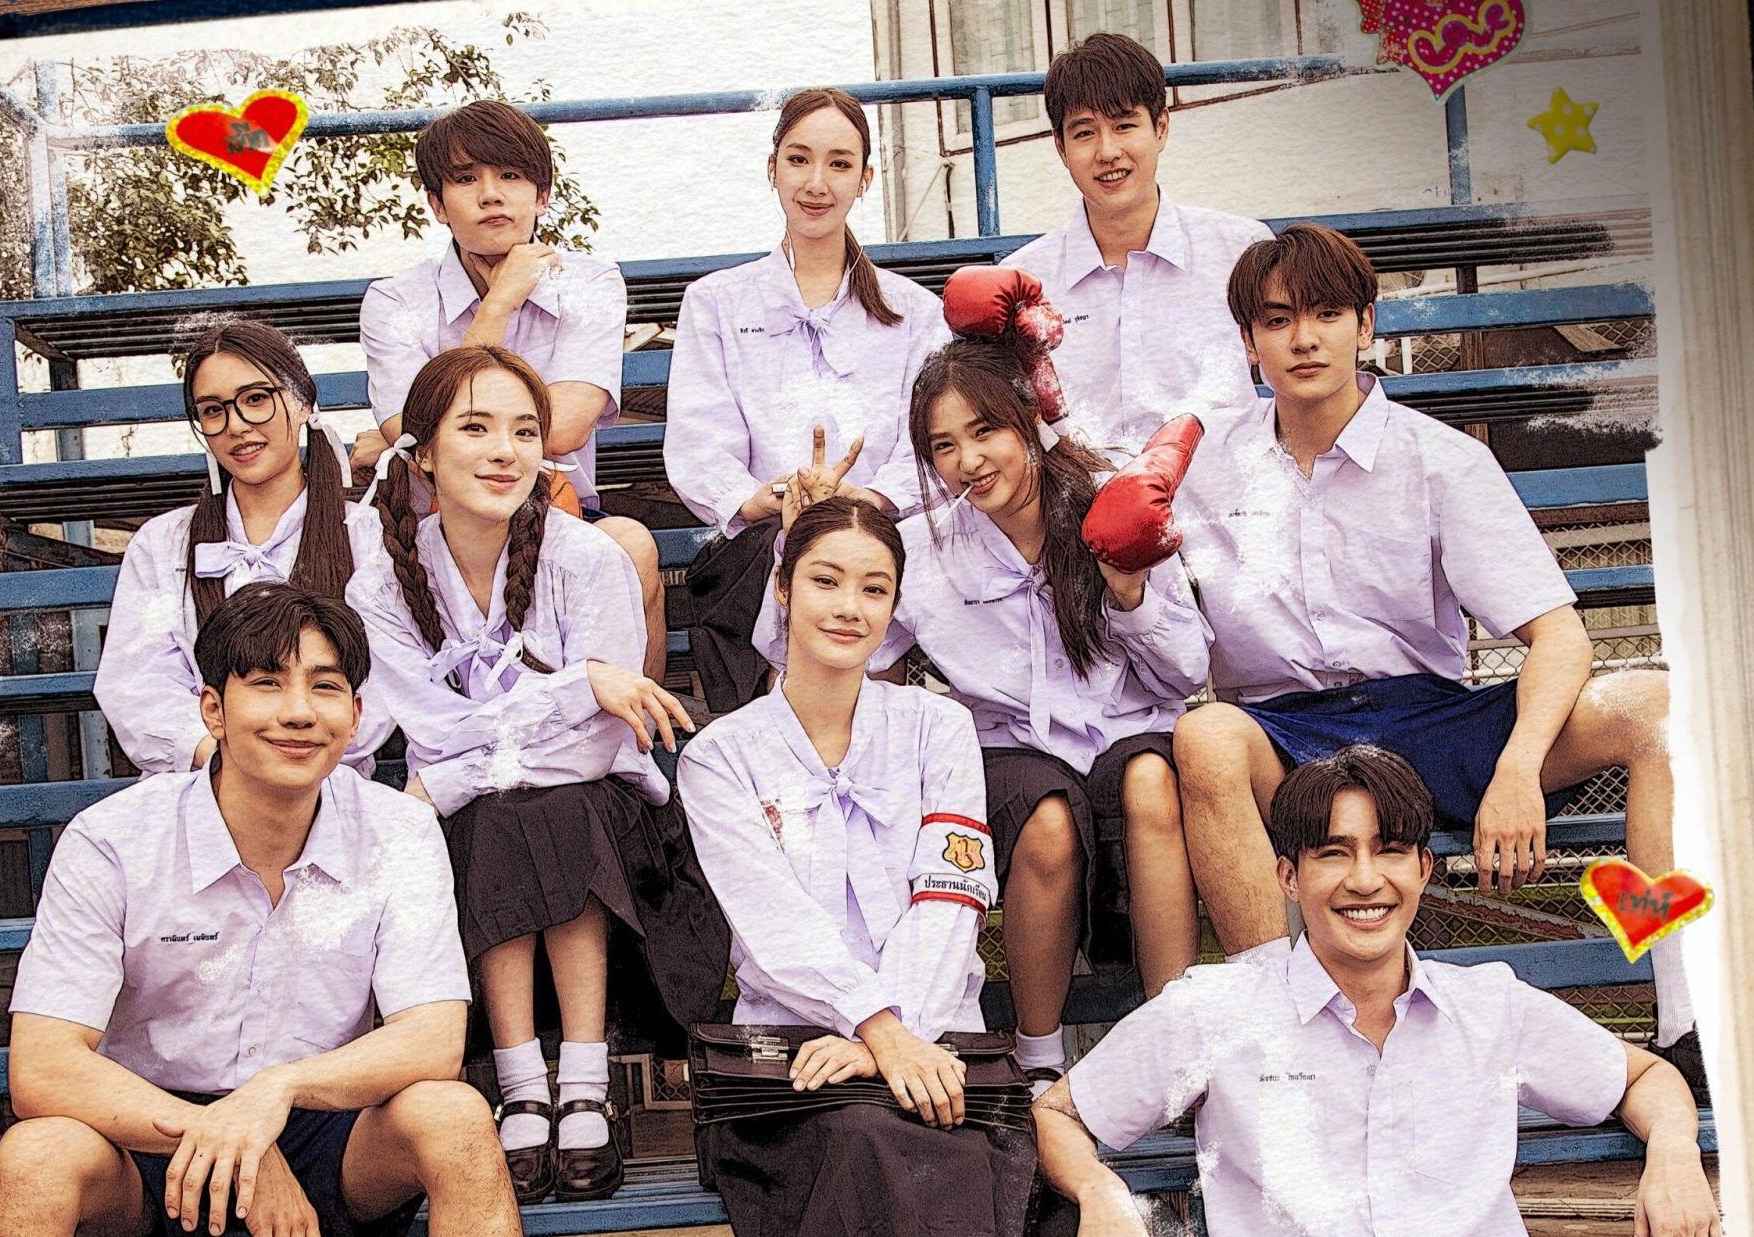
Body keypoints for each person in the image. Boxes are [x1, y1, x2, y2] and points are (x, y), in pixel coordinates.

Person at [1170, 222, 1702, 1092]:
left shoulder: (1441, 460)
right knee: (1205, 735)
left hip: (1429, 720)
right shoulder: (1204, 469)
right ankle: (1282, 1043)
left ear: (1366, 325)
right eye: (1277, 320)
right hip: (1285, 733)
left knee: (1654, 706)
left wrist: (1517, 771)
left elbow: (1559, 634)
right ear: (1248, 341)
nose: (1304, 339)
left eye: (1327, 314)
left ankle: (1687, 1021)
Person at [0, 583, 518, 1237]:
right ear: (213, 710)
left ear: (355, 716)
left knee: (454, 1117)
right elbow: (42, 1067)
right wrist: (232, 1137)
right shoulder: (114, 840)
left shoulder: (399, 831)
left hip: (327, 1131)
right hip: (150, 1137)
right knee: (36, 1155)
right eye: (267, 684)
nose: (298, 713)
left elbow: (432, 1040)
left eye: (325, 688)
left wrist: (278, 1090)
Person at [758, 337, 1210, 1094]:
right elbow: (818, 655)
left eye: (984, 430)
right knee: (1047, 816)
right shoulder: (924, 550)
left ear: (1028, 419)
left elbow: (1188, 673)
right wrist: (797, 544)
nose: (967, 460)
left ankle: (1177, 1042)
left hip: (1128, 730)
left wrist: (1128, 591)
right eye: (943, 445)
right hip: (1008, 747)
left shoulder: (1112, 504)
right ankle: (1038, 1056)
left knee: (1150, 784)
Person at [1034, 745, 1721, 1237]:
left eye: (1389, 850)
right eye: (1334, 853)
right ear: (1289, 876)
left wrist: (1674, 1156)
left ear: (1423, 868)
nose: (1366, 880)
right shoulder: (1216, 1010)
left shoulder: (1490, 1008)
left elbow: (1645, 1077)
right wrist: (1101, 1194)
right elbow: (1060, 1114)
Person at [351, 344, 726, 1205]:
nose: (504, 451)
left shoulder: (587, 558)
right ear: (423, 453)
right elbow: (429, 723)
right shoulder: (382, 584)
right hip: (477, 833)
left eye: (524, 431)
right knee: (500, 814)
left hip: (610, 832)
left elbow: (598, 744)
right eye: (475, 428)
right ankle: (524, 1085)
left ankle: (583, 1081)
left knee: (549, 805)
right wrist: (574, 687)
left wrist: (467, 768)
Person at [677, 496, 1033, 1237]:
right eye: (826, 580)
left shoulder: (939, 728)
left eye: (874, 589)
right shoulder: (720, 756)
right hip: (792, 1066)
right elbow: (773, 920)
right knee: (865, 1142)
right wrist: (878, 1030)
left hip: (937, 1047)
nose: (849, 607)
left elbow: (951, 898)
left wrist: (895, 1040)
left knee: (934, 1145)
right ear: (783, 588)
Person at [356, 99, 667, 679]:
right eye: (465, 179)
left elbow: (564, 429)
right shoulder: (395, 301)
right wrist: (502, 300)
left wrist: (441, 421)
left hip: (556, 515)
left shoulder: (590, 281)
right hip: (435, 528)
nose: (491, 195)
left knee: (630, 545)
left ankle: (633, 730)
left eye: (511, 176)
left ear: (542, 195)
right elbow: (417, 437)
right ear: (437, 205)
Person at [664, 85, 949, 713]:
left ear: (865, 178)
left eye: (839, 164)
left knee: (863, 569)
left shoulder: (915, 312)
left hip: (880, 539)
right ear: (773, 168)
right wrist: (769, 497)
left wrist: (867, 499)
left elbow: (931, 444)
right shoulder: (715, 302)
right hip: (764, 543)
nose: (816, 183)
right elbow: (699, 441)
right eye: (798, 159)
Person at [96, 318, 393, 778]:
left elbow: (386, 684)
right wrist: (225, 761)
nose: (236, 425)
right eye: (213, 410)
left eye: (255, 399)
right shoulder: (162, 544)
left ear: (303, 403)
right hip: (201, 781)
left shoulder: (368, 538)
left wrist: (292, 761)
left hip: (329, 781)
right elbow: (137, 686)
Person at [1005, 32, 1273, 452]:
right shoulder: (1022, 282)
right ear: (1060, 147)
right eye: (1084, 133)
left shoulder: (1241, 251)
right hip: (1080, 491)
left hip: (1220, 490)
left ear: (1160, 128)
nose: (1108, 151)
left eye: (1125, 125)